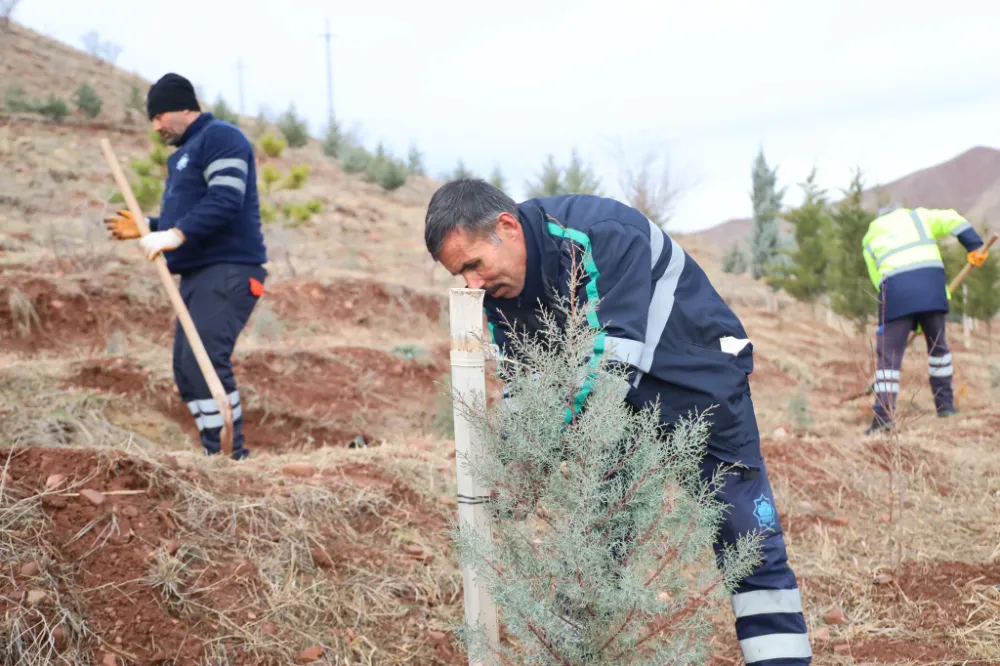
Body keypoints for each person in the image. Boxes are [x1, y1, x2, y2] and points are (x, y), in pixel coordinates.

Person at [424, 179, 812, 666]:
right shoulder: (499, 294)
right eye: (461, 275)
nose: (472, 286)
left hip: (699, 383)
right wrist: (520, 466)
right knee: (593, 542)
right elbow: (524, 384)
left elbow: (610, 365)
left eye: (474, 265)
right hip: (618, 407)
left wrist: (547, 451)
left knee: (747, 540)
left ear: (507, 227)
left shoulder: (599, 234)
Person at [103, 72, 268, 460]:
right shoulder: (183, 155)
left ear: (183, 107)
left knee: (206, 358)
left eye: (159, 115)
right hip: (198, 272)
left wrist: (172, 236)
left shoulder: (221, 138)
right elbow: (196, 213)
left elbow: (226, 199)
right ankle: (215, 450)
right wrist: (150, 227)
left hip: (230, 268)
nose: (156, 125)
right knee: (186, 369)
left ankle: (234, 456)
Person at [861, 202, 988, 435]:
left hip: (896, 294)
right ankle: (946, 407)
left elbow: (877, 279)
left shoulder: (871, 234)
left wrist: (897, 314)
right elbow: (953, 217)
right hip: (932, 291)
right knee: (939, 351)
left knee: (888, 360)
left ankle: (883, 418)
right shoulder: (919, 217)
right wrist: (974, 245)